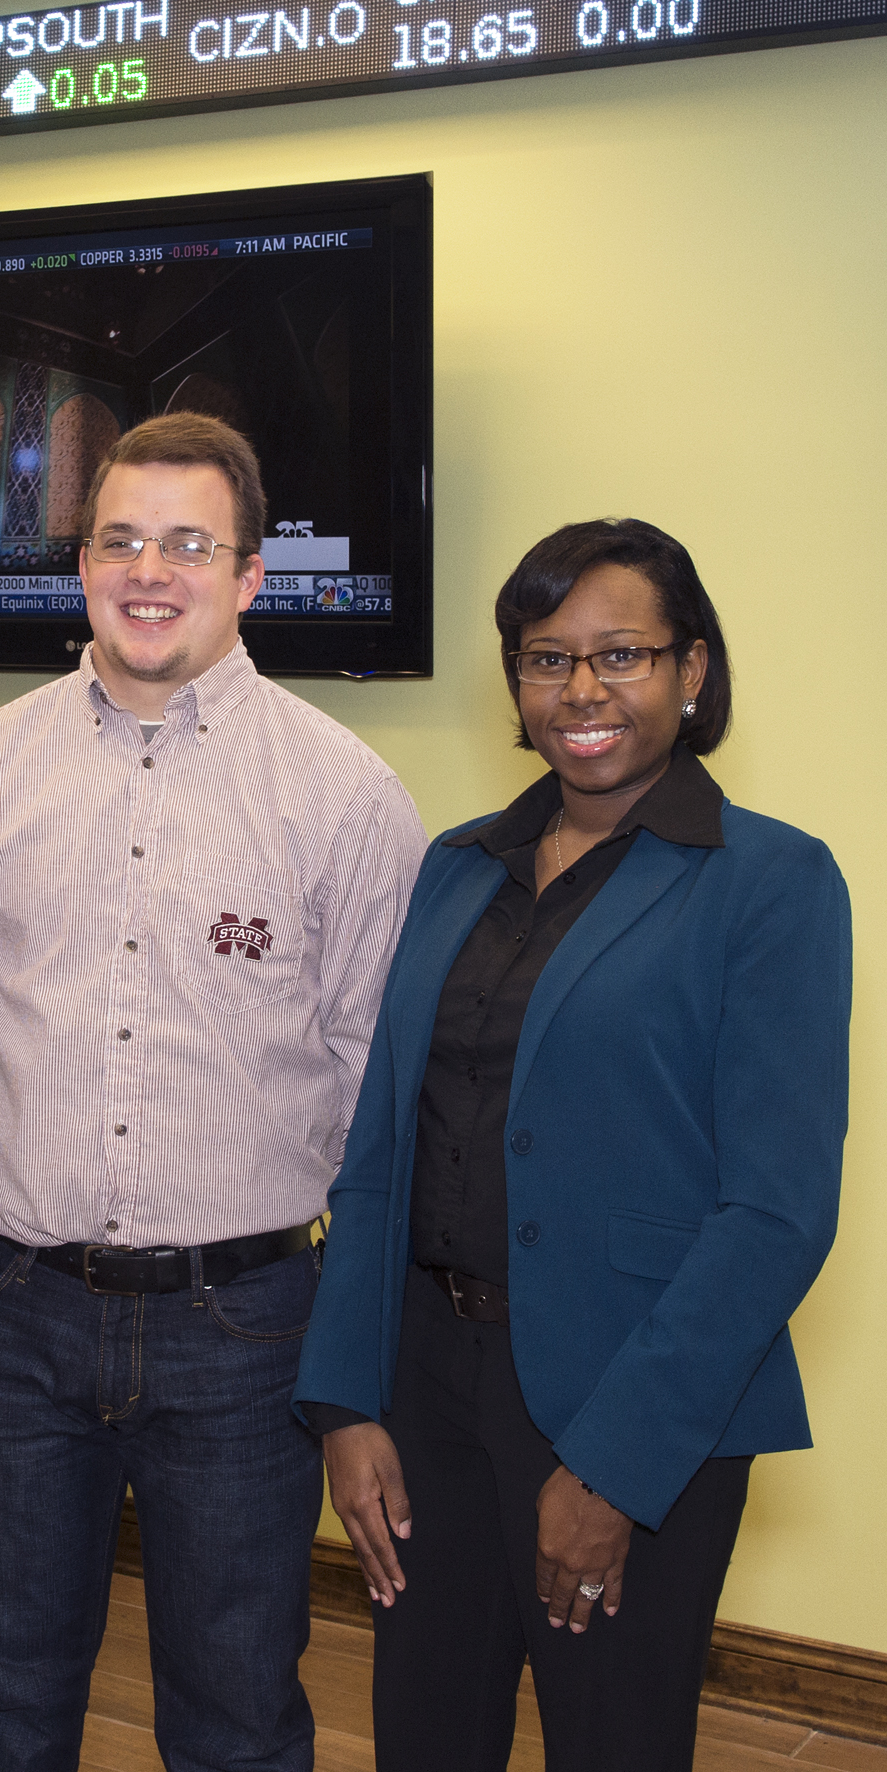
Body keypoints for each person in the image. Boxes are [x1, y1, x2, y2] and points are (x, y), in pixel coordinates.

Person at [0, 411, 429, 1772]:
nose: (151, 570)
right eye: (122, 539)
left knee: (239, 1706)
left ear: (251, 575)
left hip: (243, 1328)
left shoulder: (346, 796)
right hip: (15, 1308)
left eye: (190, 543)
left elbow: (372, 1071)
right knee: (9, 1687)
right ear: (80, 564)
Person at [293, 518, 850, 1772]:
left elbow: (775, 1215)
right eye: (546, 658)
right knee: (424, 1737)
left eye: (622, 655)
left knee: (612, 1742)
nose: (581, 691)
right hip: (422, 1386)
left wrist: (610, 1468)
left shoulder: (769, 882)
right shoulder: (455, 866)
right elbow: (381, 1143)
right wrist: (344, 1399)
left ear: (690, 671)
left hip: (630, 1401)